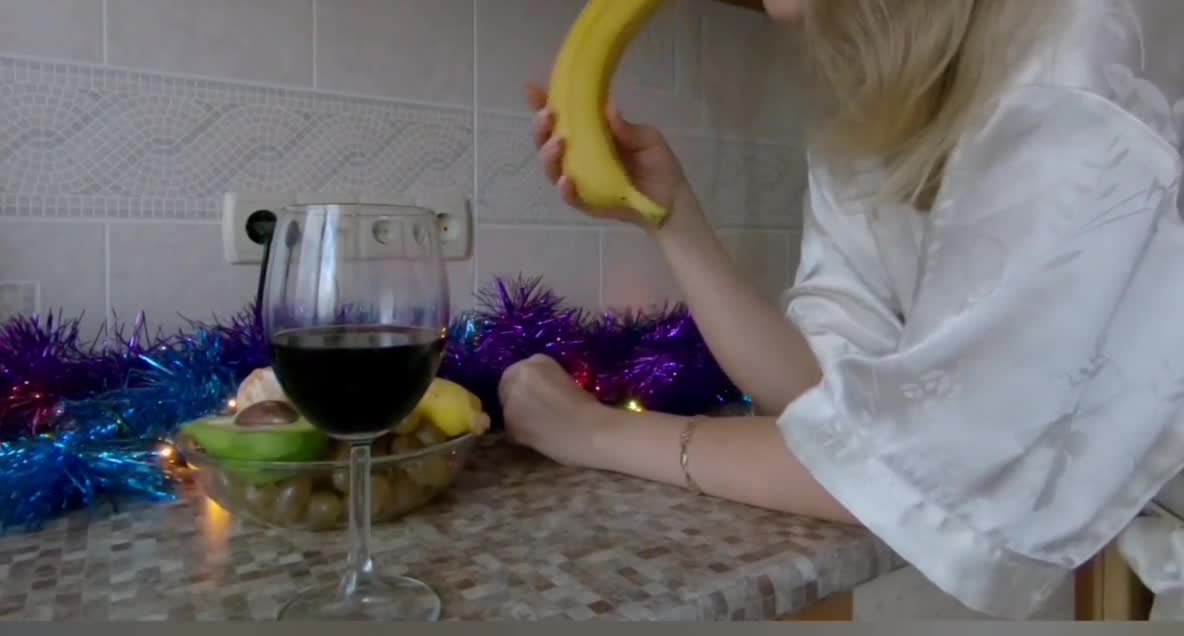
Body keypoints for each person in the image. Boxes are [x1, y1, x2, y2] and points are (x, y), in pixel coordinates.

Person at [498, 0, 1184, 620]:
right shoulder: (870, 99)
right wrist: (671, 218)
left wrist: (597, 434)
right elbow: (829, 399)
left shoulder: (1078, 43)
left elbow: (917, 465)